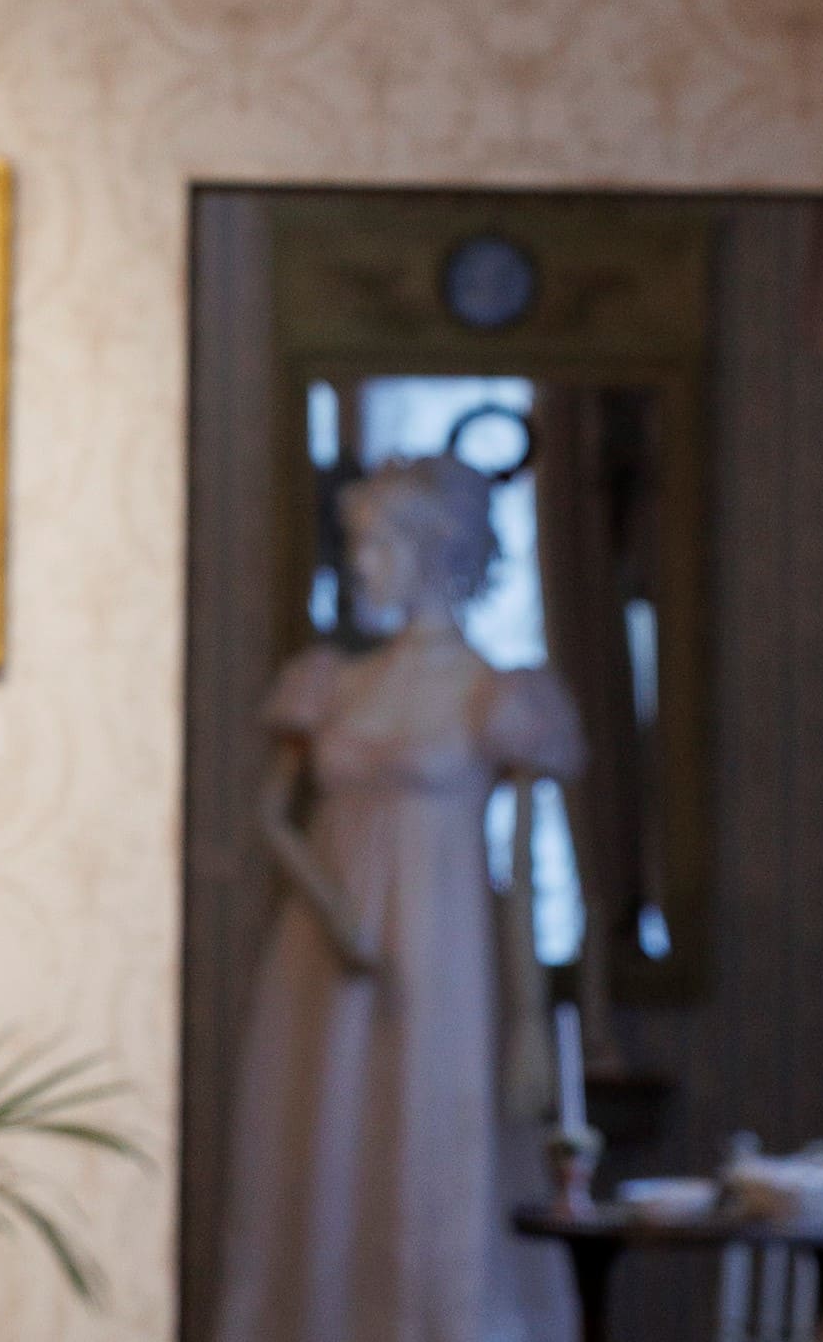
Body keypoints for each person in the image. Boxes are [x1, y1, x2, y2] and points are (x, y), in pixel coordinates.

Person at [214, 454, 584, 1342]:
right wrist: (333, 910)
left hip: (443, 948)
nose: (361, 565)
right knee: (323, 1141)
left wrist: (530, 1015)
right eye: (357, 545)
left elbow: (525, 864)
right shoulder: (331, 684)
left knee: (433, 1143)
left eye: (376, 545)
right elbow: (271, 817)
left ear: (432, 551)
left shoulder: (495, 693)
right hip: (326, 953)